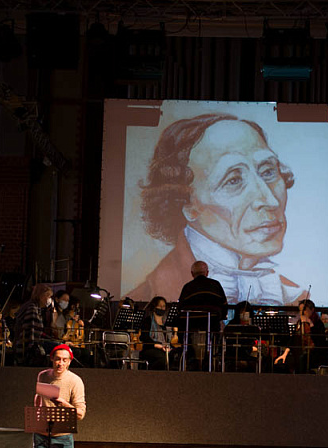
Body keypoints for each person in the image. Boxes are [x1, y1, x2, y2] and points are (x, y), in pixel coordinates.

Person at [126, 113, 307, 305]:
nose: (271, 201)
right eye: (233, 180)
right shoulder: (146, 297)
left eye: (268, 171)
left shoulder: (296, 297)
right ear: (188, 205)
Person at [177, 261, 228, 369]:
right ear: (207, 272)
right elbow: (224, 305)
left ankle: (189, 355)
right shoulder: (215, 285)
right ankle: (213, 354)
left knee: (182, 327)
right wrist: (222, 316)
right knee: (216, 328)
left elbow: (180, 307)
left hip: (190, 322)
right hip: (211, 322)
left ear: (192, 273)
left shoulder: (187, 287)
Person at [274, 298, 328, 373]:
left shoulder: (318, 324)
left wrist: (310, 324)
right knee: (280, 363)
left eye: (304, 310)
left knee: (302, 360)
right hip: (299, 352)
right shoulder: (300, 323)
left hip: (314, 353)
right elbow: (293, 339)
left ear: (312, 310)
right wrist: (284, 354)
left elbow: (319, 341)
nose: (302, 313)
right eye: (300, 310)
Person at [15, 284, 54, 365]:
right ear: (41, 295)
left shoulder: (35, 307)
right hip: (26, 348)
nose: (49, 299)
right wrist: (32, 347)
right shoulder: (32, 308)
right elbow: (30, 332)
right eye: (48, 296)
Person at [139, 296, 179, 370]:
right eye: (160, 306)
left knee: (176, 355)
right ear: (154, 307)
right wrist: (159, 346)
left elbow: (171, 339)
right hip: (151, 348)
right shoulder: (148, 320)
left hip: (166, 347)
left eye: (163, 306)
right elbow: (144, 338)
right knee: (163, 359)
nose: (162, 308)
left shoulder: (167, 322)